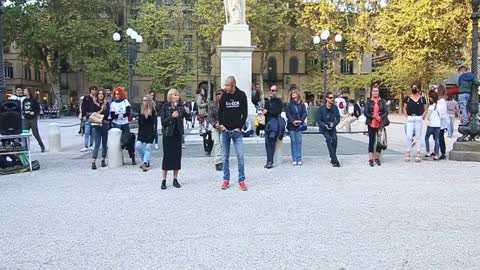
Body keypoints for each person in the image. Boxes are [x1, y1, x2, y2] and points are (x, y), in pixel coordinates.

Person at [218, 76, 248, 191]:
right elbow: (220, 111)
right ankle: (226, 179)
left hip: (236, 131)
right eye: (225, 85)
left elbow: (244, 113)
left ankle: (241, 180)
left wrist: (240, 127)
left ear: (233, 85)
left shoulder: (241, 95)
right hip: (225, 131)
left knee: (240, 156)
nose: (225, 87)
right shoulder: (224, 95)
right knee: (225, 157)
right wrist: (221, 125)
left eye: (227, 85)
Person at [160, 88, 191, 190]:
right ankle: (164, 180)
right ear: (170, 96)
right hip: (168, 134)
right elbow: (163, 122)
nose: (176, 97)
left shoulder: (180, 106)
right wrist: (172, 116)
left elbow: (188, 118)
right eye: (174, 95)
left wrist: (187, 111)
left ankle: (175, 179)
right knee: (167, 157)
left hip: (177, 134)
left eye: (177, 95)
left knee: (177, 157)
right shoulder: (165, 106)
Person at [364, 86, 389, 167]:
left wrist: (380, 117)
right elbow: (365, 112)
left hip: (380, 123)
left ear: (378, 92)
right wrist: (373, 116)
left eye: (376, 91)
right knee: (371, 141)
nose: (375, 92)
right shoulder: (368, 102)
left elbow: (386, 111)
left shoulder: (382, 101)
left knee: (379, 141)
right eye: (374, 91)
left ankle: (377, 158)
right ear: (372, 92)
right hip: (371, 123)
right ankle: (371, 158)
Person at [403, 84, 427, 162]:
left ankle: (418, 153)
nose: (414, 89)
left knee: (418, 136)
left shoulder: (422, 98)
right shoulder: (408, 98)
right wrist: (406, 116)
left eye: (415, 88)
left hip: (418, 118)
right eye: (412, 87)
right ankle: (408, 152)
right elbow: (404, 108)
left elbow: (425, 108)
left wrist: (423, 116)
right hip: (410, 118)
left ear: (418, 89)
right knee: (409, 136)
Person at [317, 92, 341, 167]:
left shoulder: (335, 108)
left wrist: (333, 124)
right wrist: (325, 125)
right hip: (324, 128)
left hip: (332, 127)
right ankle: (335, 159)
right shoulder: (321, 108)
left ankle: (332, 157)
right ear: (326, 99)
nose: (332, 99)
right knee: (328, 139)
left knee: (334, 139)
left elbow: (338, 118)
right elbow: (319, 120)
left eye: (333, 98)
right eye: (330, 98)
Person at [262, 85, 283, 169]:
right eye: (271, 90)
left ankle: (270, 161)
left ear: (276, 92)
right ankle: (268, 160)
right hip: (267, 124)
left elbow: (277, 112)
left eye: (273, 90)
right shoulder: (267, 101)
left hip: (274, 124)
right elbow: (265, 112)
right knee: (267, 143)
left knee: (272, 142)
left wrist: (267, 111)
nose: (271, 91)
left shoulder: (279, 101)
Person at [286, 88, 307, 166]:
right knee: (293, 142)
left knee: (299, 141)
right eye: (292, 93)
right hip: (292, 125)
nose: (293, 94)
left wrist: (301, 120)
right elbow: (288, 114)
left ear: (298, 94)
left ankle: (299, 158)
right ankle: (294, 158)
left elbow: (304, 113)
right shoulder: (289, 104)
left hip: (299, 125)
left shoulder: (302, 104)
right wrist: (293, 121)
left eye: (294, 93)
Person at [136, 95, 157, 172]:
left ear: (149, 101)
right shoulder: (140, 110)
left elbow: (154, 122)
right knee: (138, 146)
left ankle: (145, 163)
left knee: (147, 147)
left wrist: (150, 115)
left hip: (150, 131)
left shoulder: (153, 111)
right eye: (143, 100)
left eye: (145, 100)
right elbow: (140, 123)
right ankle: (145, 160)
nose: (144, 102)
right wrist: (144, 115)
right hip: (141, 132)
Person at [91, 88, 110, 170]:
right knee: (97, 144)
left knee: (104, 144)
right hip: (96, 125)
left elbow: (107, 114)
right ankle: (93, 161)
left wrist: (100, 113)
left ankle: (103, 159)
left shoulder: (107, 104)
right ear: (97, 95)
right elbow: (92, 113)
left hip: (104, 125)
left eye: (102, 93)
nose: (101, 95)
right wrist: (101, 110)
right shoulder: (94, 104)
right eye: (99, 93)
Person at [22, 88, 45, 153]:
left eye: (25, 90)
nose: (24, 91)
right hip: (26, 119)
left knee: (35, 134)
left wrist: (34, 113)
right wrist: (24, 114)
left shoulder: (34, 100)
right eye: (24, 90)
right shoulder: (24, 100)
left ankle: (42, 146)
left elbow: (38, 108)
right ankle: (26, 148)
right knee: (25, 134)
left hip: (33, 119)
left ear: (28, 92)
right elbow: (23, 109)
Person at [208, 89, 224, 171]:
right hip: (215, 126)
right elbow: (209, 117)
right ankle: (218, 162)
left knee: (222, 143)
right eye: (217, 94)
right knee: (217, 142)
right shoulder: (212, 105)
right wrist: (215, 124)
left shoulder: (226, 104)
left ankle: (223, 158)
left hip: (224, 126)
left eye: (220, 94)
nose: (219, 96)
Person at [424, 92, 441, 160]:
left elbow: (428, 117)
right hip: (438, 125)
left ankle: (428, 152)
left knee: (426, 138)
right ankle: (437, 154)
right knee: (437, 139)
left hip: (431, 125)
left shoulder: (430, 107)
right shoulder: (438, 106)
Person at [80, 86, 98, 152]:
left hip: (94, 117)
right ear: (90, 90)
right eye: (92, 90)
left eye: (95, 90)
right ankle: (85, 145)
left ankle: (91, 145)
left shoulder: (96, 98)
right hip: (87, 116)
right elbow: (83, 107)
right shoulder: (86, 98)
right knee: (87, 132)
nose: (94, 91)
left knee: (93, 132)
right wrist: (83, 115)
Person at [436, 85, 449, 159]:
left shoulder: (441, 102)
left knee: (439, 138)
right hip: (441, 122)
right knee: (439, 137)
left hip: (439, 122)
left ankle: (442, 152)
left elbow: (441, 113)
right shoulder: (442, 101)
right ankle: (441, 151)